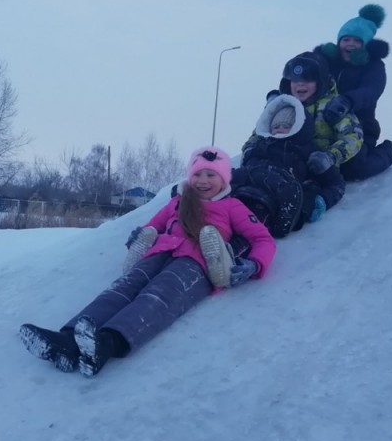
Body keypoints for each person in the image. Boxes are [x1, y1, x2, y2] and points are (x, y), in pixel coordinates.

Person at [19, 146, 276, 377]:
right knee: (121, 289)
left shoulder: (232, 206)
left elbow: (263, 239)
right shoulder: (177, 202)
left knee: (158, 296)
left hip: (197, 262)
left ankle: (106, 344)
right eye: (197, 174)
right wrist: (138, 236)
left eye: (211, 174)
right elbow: (153, 226)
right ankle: (67, 341)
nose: (203, 181)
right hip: (160, 251)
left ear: (224, 179)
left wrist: (254, 264)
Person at [231, 51, 362, 237]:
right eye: (295, 80)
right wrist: (250, 149)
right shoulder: (282, 105)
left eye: (307, 80)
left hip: (314, 166)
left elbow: (353, 135)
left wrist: (330, 156)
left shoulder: (330, 105)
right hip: (277, 163)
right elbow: (260, 131)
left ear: (320, 81)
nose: (300, 85)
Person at [313, 3, 392, 181]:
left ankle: (386, 152)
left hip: (360, 126)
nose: (351, 44)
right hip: (322, 124)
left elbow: (371, 90)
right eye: (346, 39)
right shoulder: (325, 61)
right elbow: (305, 77)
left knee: (352, 169)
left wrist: (347, 101)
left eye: (357, 41)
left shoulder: (373, 66)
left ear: (365, 45)